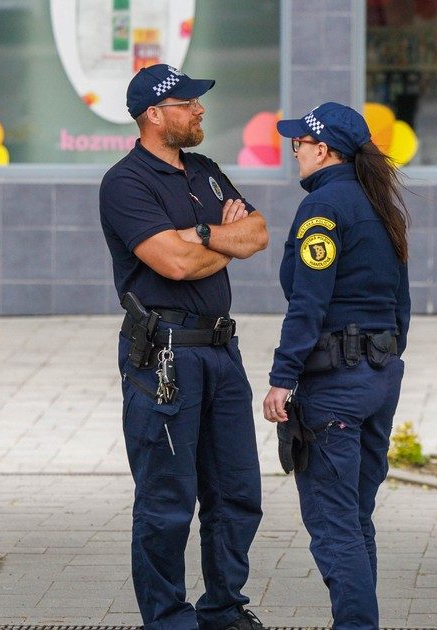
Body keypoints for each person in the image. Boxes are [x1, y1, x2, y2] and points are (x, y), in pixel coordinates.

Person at [99, 64, 269, 630]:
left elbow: (260, 232)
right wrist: (220, 240)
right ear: (153, 114)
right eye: (187, 102)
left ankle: (223, 609)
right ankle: (168, 618)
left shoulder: (205, 169)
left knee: (237, 492)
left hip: (222, 352)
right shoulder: (126, 183)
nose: (199, 109)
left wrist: (199, 238)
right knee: (168, 502)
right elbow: (171, 263)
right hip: (165, 357)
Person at [263, 102, 411, 630]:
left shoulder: (323, 209)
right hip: (378, 379)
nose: (294, 150)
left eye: (299, 143)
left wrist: (283, 378)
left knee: (333, 525)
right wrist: (384, 365)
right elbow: (401, 304)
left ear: (323, 149)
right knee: (355, 516)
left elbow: (308, 303)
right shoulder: (379, 204)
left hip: (335, 387)